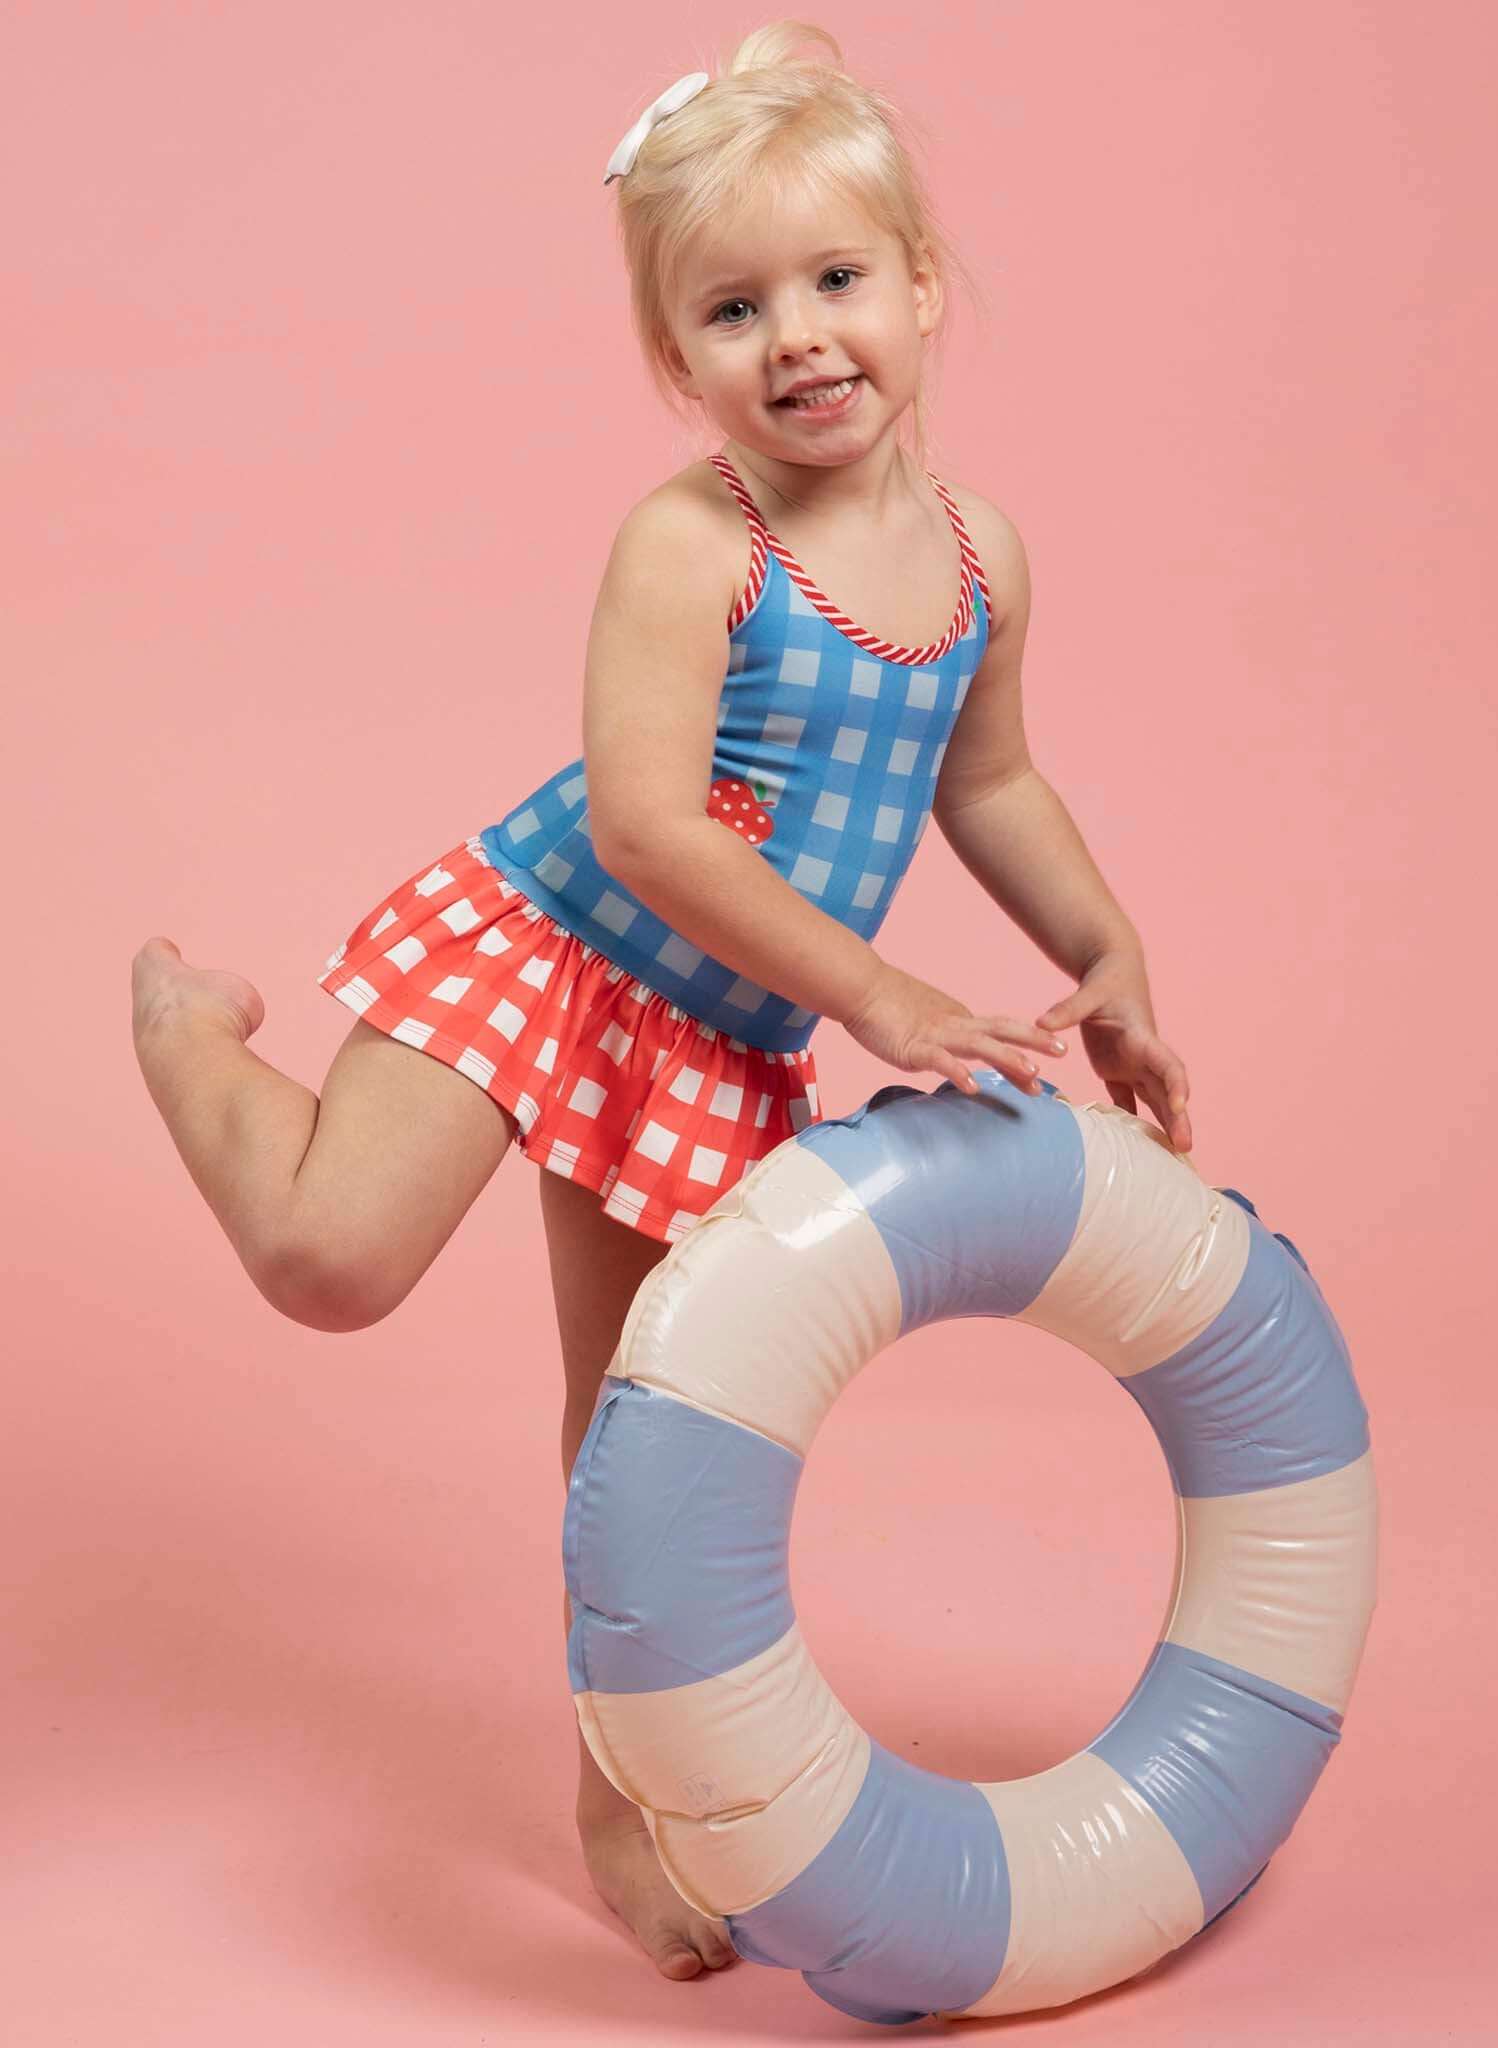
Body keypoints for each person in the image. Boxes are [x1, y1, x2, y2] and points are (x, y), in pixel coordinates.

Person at [129, 18, 1193, 1988]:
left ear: (926, 286)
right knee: (328, 1255)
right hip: (564, 949)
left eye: (837, 279)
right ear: (674, 358)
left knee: (638, 1433)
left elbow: (990, 780)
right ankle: (195, 1041)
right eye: (730, 305)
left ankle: (621, 1792)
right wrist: (876, 985)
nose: (795, 335)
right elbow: (643, 819)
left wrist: (1102, 952)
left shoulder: (978, 565)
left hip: (713, 1038)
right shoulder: (689, 544)